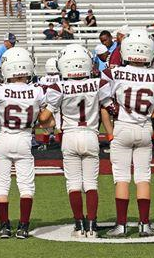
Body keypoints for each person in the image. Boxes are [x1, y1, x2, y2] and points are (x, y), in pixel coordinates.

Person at [102, 29, 154, 238]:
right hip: (144, 128)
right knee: (143, 177)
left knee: (121, 178)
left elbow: (104, 102)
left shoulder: (112, 73)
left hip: (122, 125)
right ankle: (144, 225)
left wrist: (110, 131)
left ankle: (121, 225)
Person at [41, 44, 112, 238]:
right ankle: (92, 225)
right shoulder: (99, 84)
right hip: (90, 135)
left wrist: (48, 125)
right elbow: (107, 108)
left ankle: (79, 224)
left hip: (70, 136)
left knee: (73, 183)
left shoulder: (58, 87)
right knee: (91, 183)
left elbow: (45, 117)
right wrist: (111, 133)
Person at [0, 47, 53, 239]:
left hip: (3, 138)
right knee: (26, 186)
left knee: (1, 186)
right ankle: (23, 227)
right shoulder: (37, 91)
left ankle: (4, 227)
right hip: (24, 139)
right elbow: (45, 118)